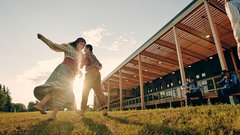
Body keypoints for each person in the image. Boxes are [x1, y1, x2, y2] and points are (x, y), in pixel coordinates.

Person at [33, 33, 86, 120]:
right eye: (81, 43)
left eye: (84, 45)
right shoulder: (68, 47)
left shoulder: (81, 55)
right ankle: (75, 110)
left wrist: (79, 72)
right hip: (64, 70)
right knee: (60, 89)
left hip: (71, 75)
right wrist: (43, 38)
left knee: (59, 91)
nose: (83, 46)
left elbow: (76, 64)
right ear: (76, 43)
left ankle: (45, 108)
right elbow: (53, 46)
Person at [78, 44, 108, 116]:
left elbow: (88, 59)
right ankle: (104, 110)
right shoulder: (95, 56)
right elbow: (100, 65)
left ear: (88, 49)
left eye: (85, 48)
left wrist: (81, 65)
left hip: (90, 73)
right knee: (99, 92)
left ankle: (82, 110)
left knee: (85, 91)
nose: (84, 49)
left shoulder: (87, 54)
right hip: (97, 73)